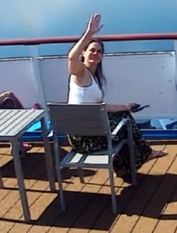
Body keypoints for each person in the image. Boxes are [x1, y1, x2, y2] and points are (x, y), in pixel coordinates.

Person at [67, 12, 166, 180]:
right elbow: (71, 57)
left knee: (124, 116)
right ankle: (134, 161)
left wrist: (125, 107)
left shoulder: (92, 78)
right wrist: (89, 33)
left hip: (83, 134)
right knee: (126, 126)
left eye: (99, 52)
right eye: (92, 50)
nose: (96, 54)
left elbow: (101, 107)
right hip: (85, 140)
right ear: (83, 53)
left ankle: (128, 165)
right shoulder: (80, 73)